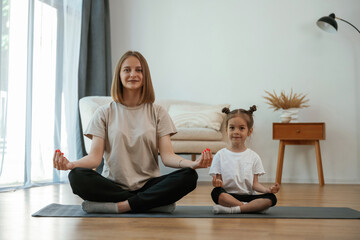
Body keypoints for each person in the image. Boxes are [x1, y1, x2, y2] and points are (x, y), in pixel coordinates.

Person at [53, 50, 213, 214]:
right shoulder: (103, 112)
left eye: (139, 70)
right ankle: (151, 202)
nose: (133, 74)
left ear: (145, 76)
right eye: (127, 70)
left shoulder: (158, 112)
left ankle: (122, 206)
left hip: (148, 184)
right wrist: (71, 165)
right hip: (113, 185)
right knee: (76, 176)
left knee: (189, 177)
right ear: (119, 75)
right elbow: (94, 158)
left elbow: (167, 157)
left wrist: (193, 164)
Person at [209, 106, 280, 214]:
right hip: (229, 196)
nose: (236, 132)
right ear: (226, 130)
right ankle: (250, 208)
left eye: (241, 128)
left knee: (272, 198)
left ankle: (233, 209)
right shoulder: (220, 155)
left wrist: (268, 190)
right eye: (232, 128)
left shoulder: (254, 157)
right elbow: (219, 183)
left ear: (249, 131)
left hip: (249, 196)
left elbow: (254, 185)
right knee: (216, 193)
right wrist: (217, 183)